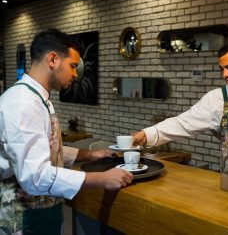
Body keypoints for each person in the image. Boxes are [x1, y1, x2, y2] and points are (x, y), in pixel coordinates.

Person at [0, 29, 133, 235]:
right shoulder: (22, 103)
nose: (75, 74)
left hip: (43, 209)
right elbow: (34, 176)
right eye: (72, 66)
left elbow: (44, 148)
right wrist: (100, 179)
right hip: (23, 216)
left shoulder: (38, 97)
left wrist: (88, 155)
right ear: (52, 59)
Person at [132, 41, 228, 170]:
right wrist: (145, 134)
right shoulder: (216, 98)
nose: (225, 75)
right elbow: (182, 123)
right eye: (222, 69)